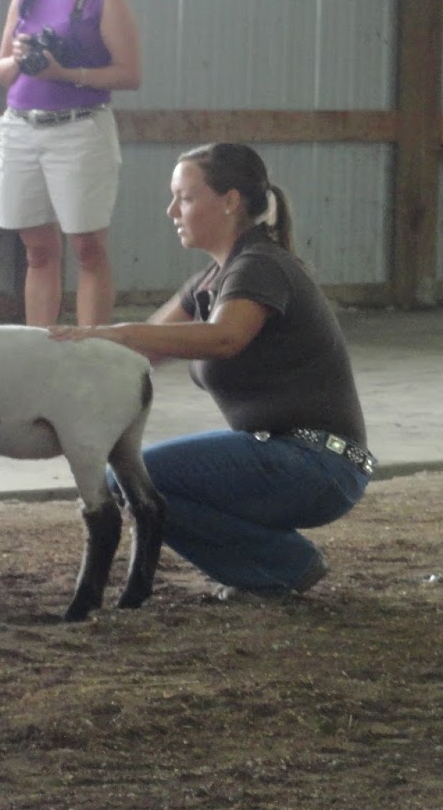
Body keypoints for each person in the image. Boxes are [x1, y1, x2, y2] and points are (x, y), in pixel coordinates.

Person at [49, 142, 372, 599]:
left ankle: (282, 563)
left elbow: (225, 337)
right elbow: (140, 350)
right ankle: (274, 563)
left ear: (230, 201)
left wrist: (115, 331)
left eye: (184, 197)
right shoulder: (210, 280)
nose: (170, 210)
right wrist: (51, 370)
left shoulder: (258, 265)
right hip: (291, 458)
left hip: (318, 464)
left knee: (132, 479)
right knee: (125, 477)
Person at [0, 0, 141, 327]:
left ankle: (91, 350)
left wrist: (63, 73)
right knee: (38, 249)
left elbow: (130, 74)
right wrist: (21, 59)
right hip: (21, 126)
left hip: (79, 129)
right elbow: (0, 70)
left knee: (87, 248)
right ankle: (39, 351)